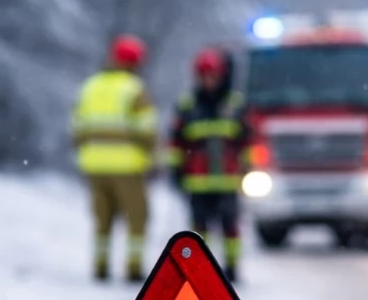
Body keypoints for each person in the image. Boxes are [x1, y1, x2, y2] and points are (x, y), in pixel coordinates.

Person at [72, 35, 158, 282]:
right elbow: (146, 130)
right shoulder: (134, 89)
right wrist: (152, 158)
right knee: (137, 217)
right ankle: (133, 267)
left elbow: (77, 127)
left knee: (103, 218)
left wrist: (87, 155)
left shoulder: (90, 86)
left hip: (95, 166)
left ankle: (100, 266)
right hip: (127, 167)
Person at [166, 48, 252, 282]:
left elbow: (247, 140)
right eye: (203, 76)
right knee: (198, 230)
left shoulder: (235, 105)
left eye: (212, 76)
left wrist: (249, 168)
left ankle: (232, 268)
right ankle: (197, 269)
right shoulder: (188, 106)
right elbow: (176, 142)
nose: (208, 81)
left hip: (228, 180)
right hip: (198, 181)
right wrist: (176, 170)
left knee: (230, 228)